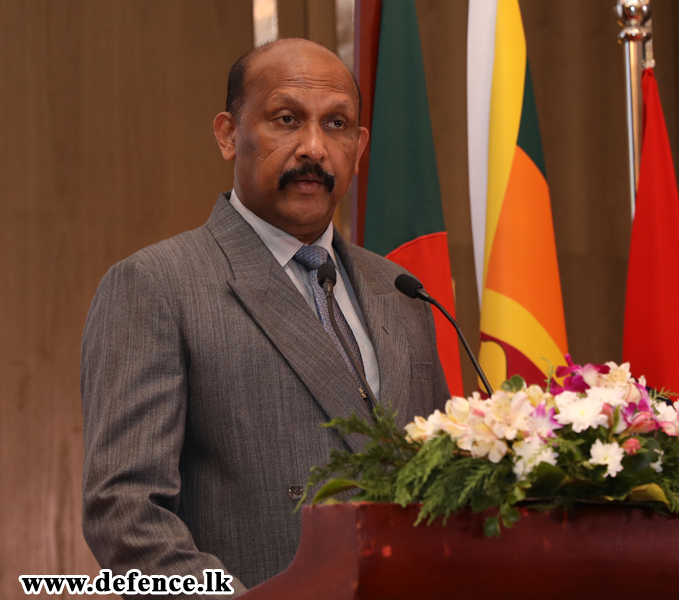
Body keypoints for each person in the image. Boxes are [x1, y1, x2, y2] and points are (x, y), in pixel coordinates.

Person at [81, 38, 450, 596]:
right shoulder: (157, 285)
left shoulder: (402, 291)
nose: (314, 148)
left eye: (337, 125)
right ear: (229, 134)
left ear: (360, 146)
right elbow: (126, 514)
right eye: (286, 119)